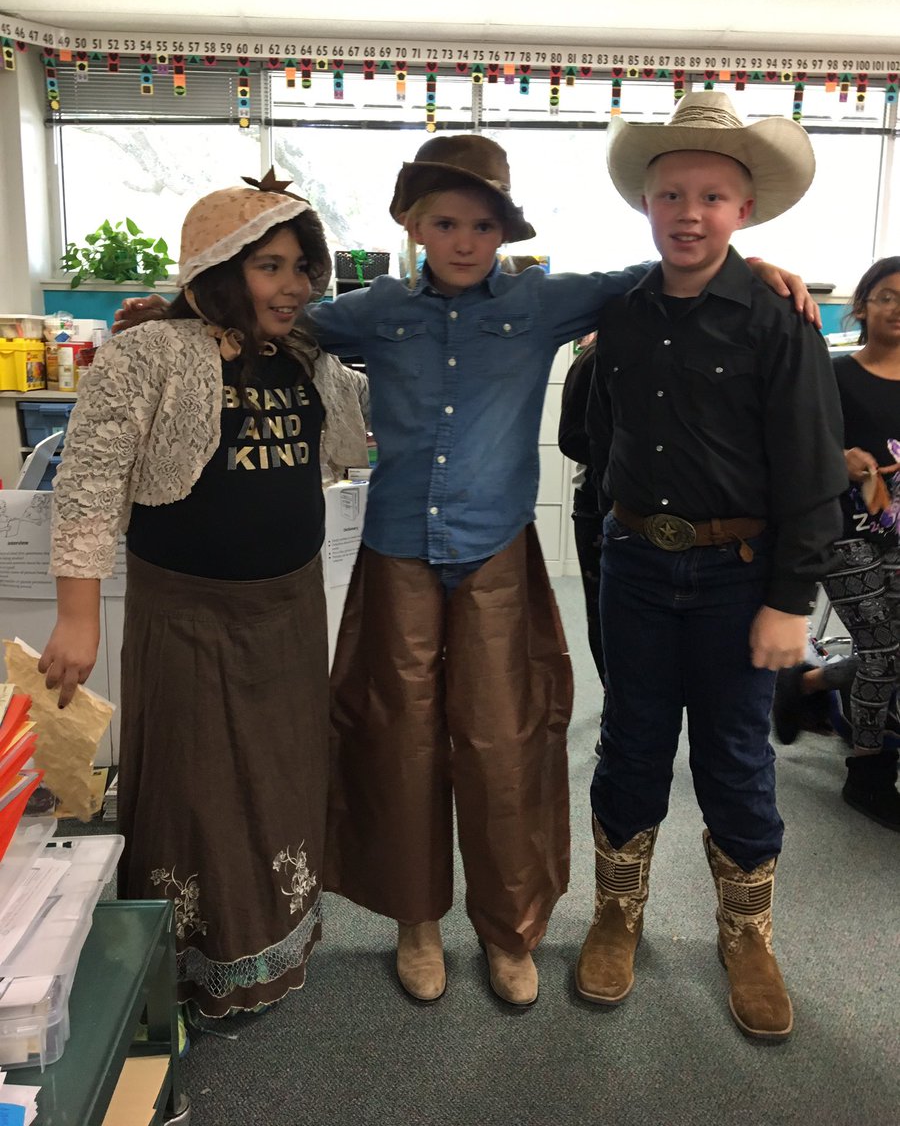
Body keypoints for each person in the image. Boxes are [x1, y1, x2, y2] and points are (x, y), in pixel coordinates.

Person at [115, 138, 814, 1012]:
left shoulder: (542, 301)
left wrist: (762, 266)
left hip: (495, 556)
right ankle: (416, 922)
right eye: (444, 222)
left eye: (483, 225)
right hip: (397, 553)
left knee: (506, 741)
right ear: (410, 224)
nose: (463, 240)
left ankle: (507, 928)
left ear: (503, 231)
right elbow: (265, 314)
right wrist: (168, 309)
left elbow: (670, 265)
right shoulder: (367, 313)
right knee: (394, 740)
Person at [39, 172, 369, 1021]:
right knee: (195, 789)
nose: (293, 284)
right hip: (185, 614)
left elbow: (358, 432)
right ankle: (191, 959)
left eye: (303, 266)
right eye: (269, 266)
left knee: (281, 778)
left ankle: (276, 944)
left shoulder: (310, 357)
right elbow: (89, 483)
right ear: (220, 268)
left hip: (291, 612)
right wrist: (76, 615)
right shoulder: (148, 354)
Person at [577, 91, 848, 1042]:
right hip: (634, 568)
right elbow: (595, 446)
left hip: (740, 575)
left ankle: (747, 935)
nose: (689, 213)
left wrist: (789, 600)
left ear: (746, 212)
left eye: (713, 197)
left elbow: (813, 472)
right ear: (645, 206)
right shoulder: (617, 308)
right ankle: (616, 913)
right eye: (671, 195)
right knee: (632, 741)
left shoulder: (779, 320)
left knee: (735, 756)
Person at [813, 257, 900, 830]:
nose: (897, 309)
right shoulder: (833, 375)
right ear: (863, 305)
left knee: (888, 654)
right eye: (886, 296)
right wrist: (836, 462)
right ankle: (867, 771)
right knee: (885, 649)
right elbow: (794, 450)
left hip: (897, 531)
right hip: (844, 535)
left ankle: (807, 683)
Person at [558, 333, 608, 750]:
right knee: (604, 614)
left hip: (649, 508)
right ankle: (614, 703)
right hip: (597, 504)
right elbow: (570, 438)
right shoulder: (592, 359)